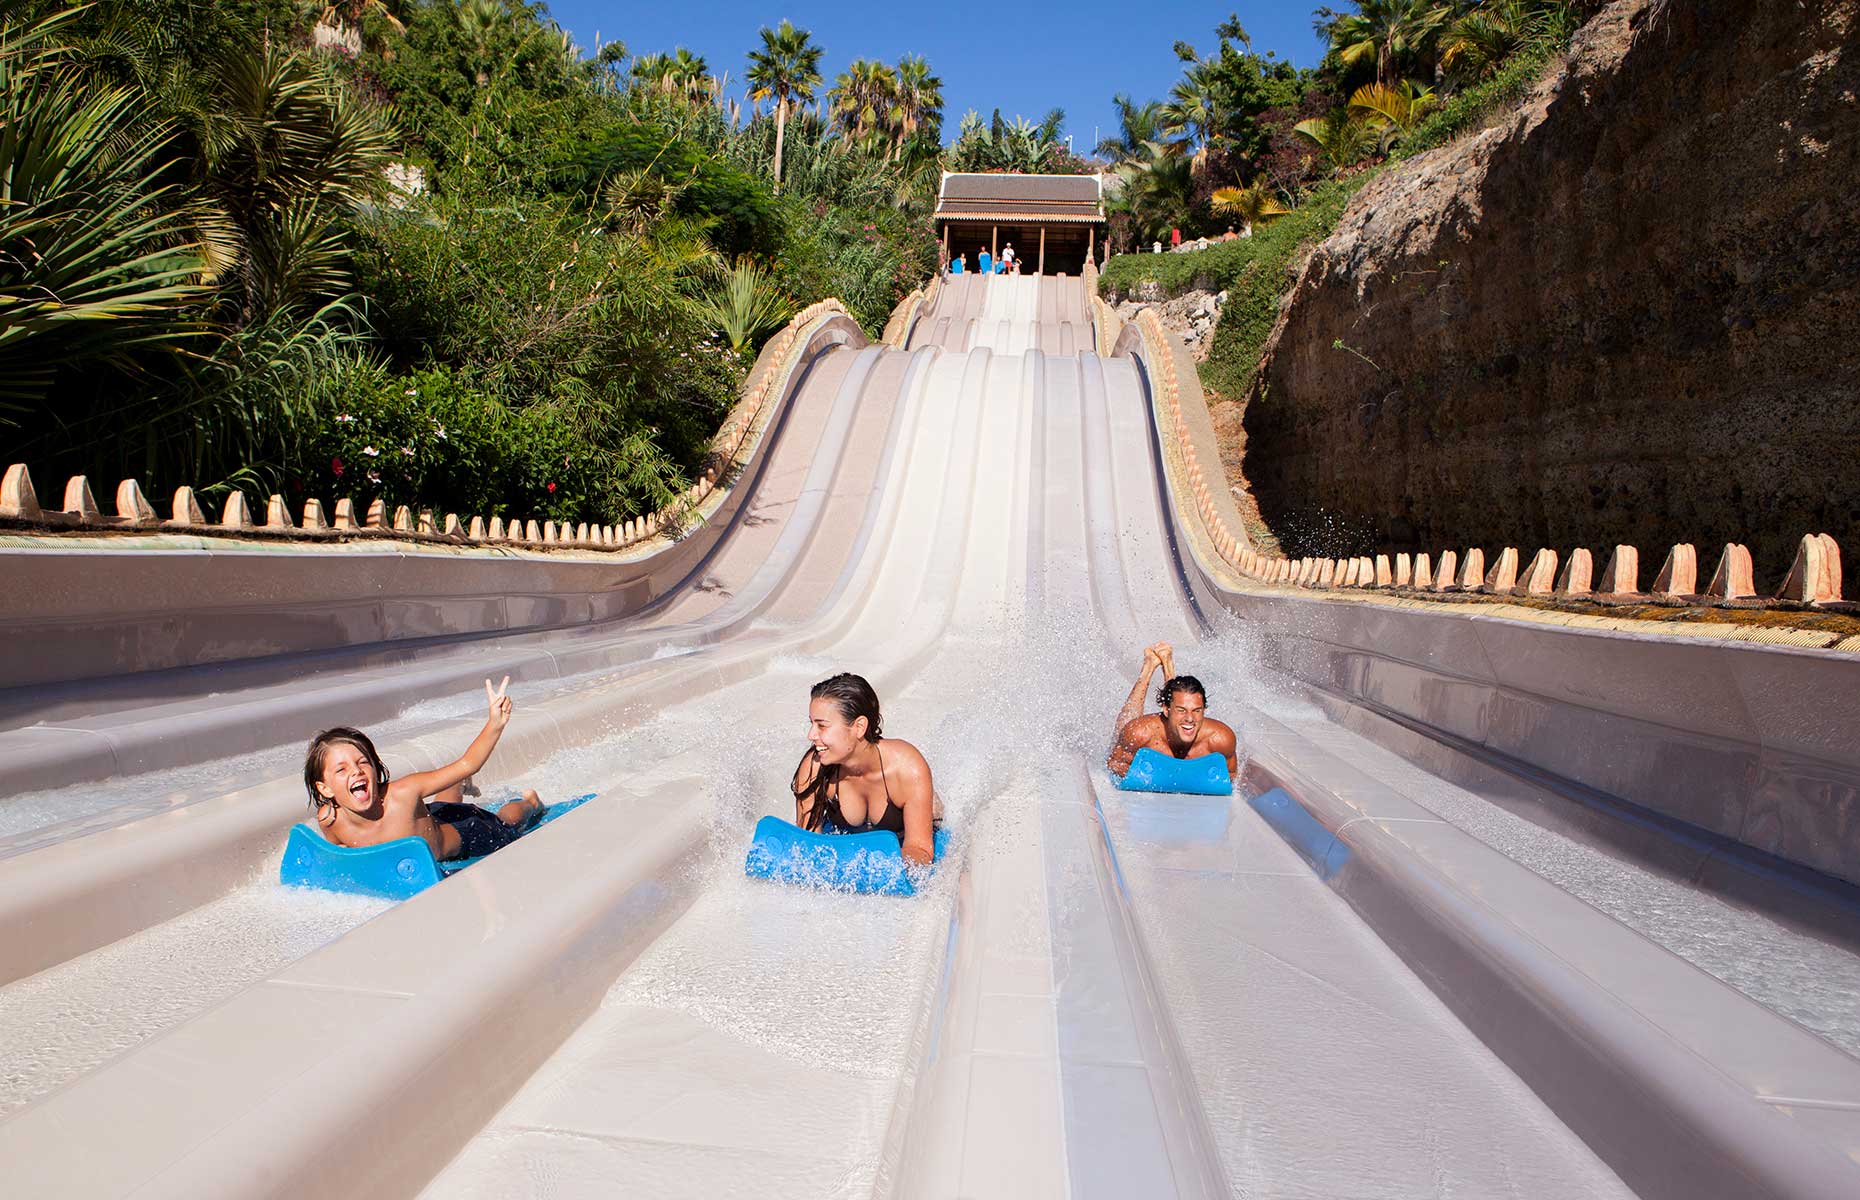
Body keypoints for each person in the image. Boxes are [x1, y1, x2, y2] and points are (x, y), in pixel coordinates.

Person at [303, 677, 544, 862]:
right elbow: (344, 856)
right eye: (341, 770)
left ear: (376, 770)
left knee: (507, 823)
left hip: (469, 836)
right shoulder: (329, 820)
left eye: (362, 762)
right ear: (324, 788)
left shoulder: (404, 792)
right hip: (427, 819)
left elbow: (468, 763)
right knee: (438, 811)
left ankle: (530, 804)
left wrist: (495, 723)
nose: (356, 771)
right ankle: (454, 784)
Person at [792, 673, 939, 865]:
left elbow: (920, 851)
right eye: (811, 723)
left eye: (822, 726)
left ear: (859, 727)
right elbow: (807, 843)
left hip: (914, 831)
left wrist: (876, 867)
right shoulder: (815, 768)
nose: (811, 735)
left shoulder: (906, 768)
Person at [1107, 642, 1239, 778]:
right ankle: (1148, 669)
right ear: (1166, 710)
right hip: (1147, 727)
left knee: (1178, 705)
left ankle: (1168, 666)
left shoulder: (1221, 738)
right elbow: (1114, 764)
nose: (1190, 718)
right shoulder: (1142, 733)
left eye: (1197, 710)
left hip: (1173, 713)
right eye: (1181, 710)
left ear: (1204, 710)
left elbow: (1231, 775)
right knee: (1125, 732)